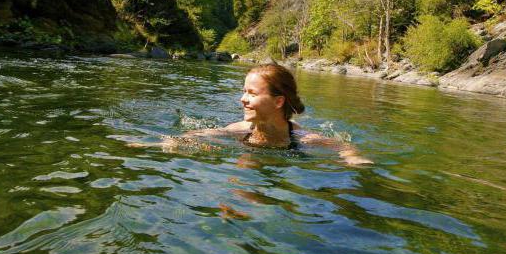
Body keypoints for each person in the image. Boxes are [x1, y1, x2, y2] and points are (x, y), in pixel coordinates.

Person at [128, 63, 372, 166]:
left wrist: (353, 159)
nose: (242, 99)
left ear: (278, 101)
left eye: (252, 93)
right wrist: (157, 143)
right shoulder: (238, 130)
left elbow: (342, 146)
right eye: (243, 91)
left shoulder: (303, 138)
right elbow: (195, 135)